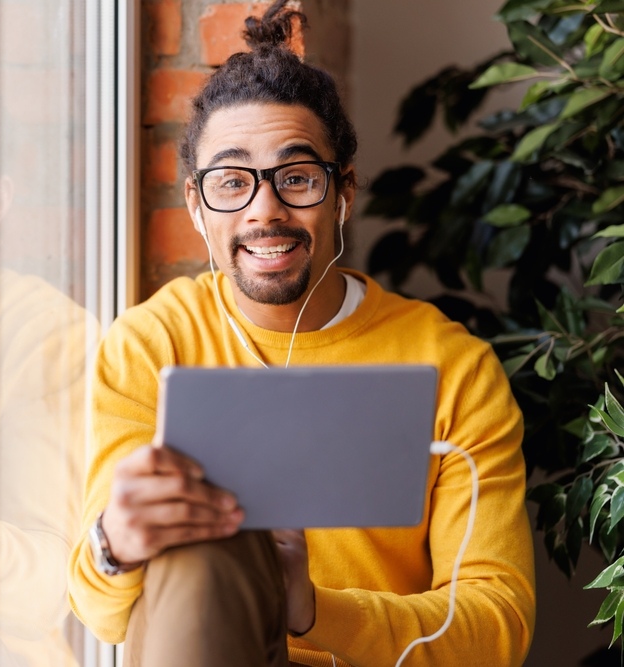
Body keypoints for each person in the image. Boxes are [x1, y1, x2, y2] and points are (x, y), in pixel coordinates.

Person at [66, 2, 536, 666]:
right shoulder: (150, 345)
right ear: (197, 207)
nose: (265, 210)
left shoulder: (452, 366)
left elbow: (498, 626)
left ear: (343, 191)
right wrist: (116, 542)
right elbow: (100, 612)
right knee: (203, 540)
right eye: (232, 182)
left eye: (296, 178)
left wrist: (309, 605)